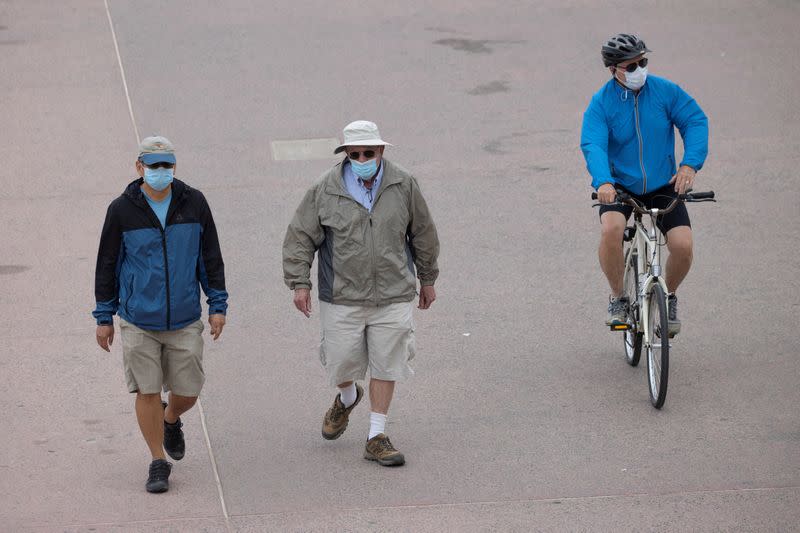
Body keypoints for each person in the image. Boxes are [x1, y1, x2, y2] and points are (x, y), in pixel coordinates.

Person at [283, 120, 439, 466]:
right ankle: (347, 395)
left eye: (369, 152)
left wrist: (427, 278)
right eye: (356, 154)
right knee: (341, 363)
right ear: (347, 155)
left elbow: (423, 232)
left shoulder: (403, 184)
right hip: (342, 296)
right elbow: (300, 237)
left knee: (388, 361)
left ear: (381, 151)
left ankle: (376, 435)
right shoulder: (324, 189)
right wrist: (299, 283)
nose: (363, 158)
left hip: (393, 293)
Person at [93, 136, 228, 492]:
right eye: (153, 165)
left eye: (166, 165)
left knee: (189, 392)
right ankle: (157, 460)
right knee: (146, 391)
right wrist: (104, 317)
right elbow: (107, 265)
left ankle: (171, 418)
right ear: (139, 167)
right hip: (139, 320)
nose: (160, 172)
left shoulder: (194, 203)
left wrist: (217, 305)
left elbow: (210, 257)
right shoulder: (121, 210)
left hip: (185, 319)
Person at [581, 34, 708, 334]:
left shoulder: (664, 91)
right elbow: (593, 144)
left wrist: (689, 164)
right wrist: (603, 182)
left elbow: (694, 121)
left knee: (683, 245)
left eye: (643, 62)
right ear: (614, 70)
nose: (640, 69)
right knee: (611, 229)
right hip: (619, 186)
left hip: (664, 183)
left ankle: (670, 295)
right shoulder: (601, 104)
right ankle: (618, 298)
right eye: (632, 65)